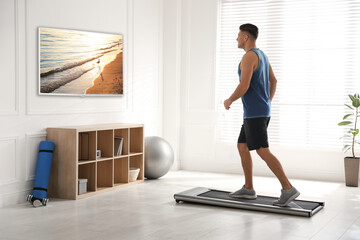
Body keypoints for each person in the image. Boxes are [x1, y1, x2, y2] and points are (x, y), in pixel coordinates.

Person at [223, 23, 300, 207]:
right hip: (257, 111)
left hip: (255, 113)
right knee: (242, 146)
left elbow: (244, 86)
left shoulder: (249, 57)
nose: (236, 38)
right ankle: (248, 188)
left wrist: (229, 100)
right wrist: (267, 101)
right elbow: (274, 80)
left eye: (238, 35)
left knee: (262, 150)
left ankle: (288, 188)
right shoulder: (262, 55)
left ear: (245, 37)